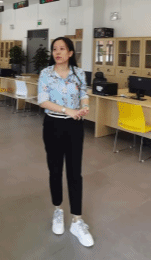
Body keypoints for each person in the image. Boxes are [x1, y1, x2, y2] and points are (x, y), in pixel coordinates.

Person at [37, 36, 94, 247]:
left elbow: (84, 94)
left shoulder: (78, 73)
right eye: (55, 49)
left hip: (74, 126)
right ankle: (58, 210)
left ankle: (77, 220)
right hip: (53, 125)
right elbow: (42, 100)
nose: (57, 52)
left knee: (74, 172)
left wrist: (84, 105)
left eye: (62, 49)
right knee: (55, 170)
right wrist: (66, 110)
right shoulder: (46, 73)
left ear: (70, 53)